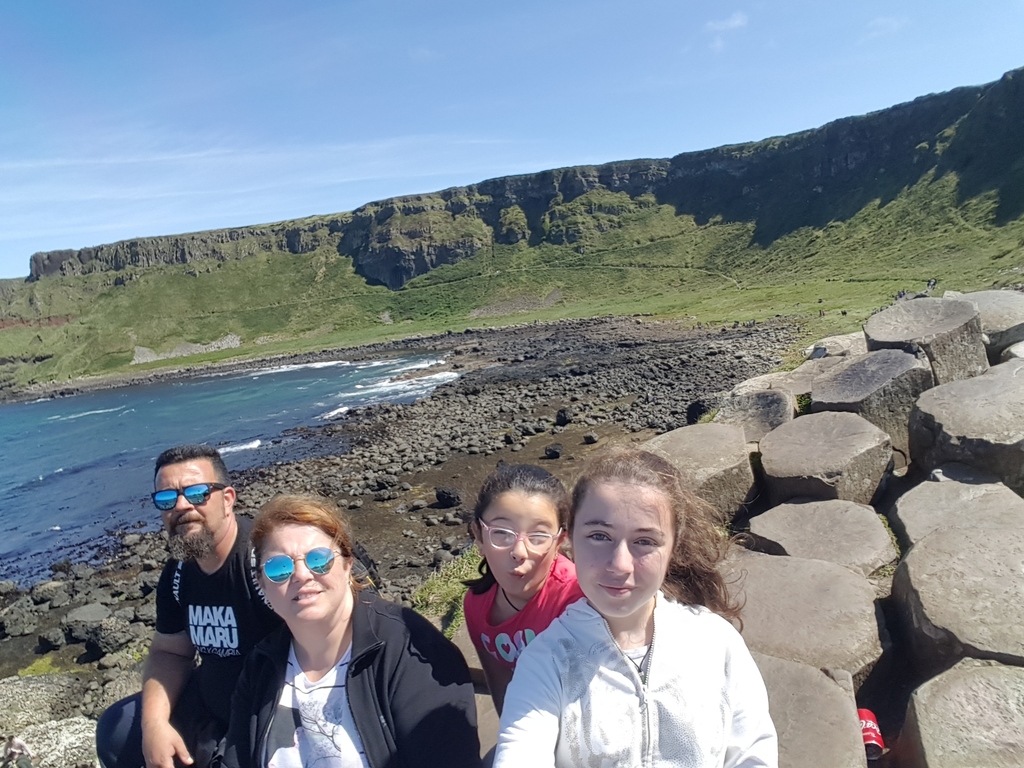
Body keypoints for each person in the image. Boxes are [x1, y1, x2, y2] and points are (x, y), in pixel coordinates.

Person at [493, 447, 778, 768]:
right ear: (570, 537)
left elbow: (753, 755)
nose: (620, 564)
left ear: (673, 545)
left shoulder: (718, 643)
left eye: (644, 541)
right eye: (599, 536)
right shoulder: (544, 663)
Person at [220, 494, 481, 768]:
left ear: (347, 564)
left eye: (318, 560)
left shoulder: (411, 649)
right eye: (279, 567)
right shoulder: (261, 666)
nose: (301, 574)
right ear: (262, 583)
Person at [96, 445, 282, 768]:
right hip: (209, 707)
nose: (182, 506)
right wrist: (153, 725)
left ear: (227, 500)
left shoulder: (263, 564)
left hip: (267, 713)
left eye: (197, 493)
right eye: (167, 499)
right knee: (115, 731)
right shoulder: (178, 574)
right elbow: (170, 652)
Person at [462, 463, 583, 714]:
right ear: (478, 535)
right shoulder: (476, 604)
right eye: (502, 533)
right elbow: (500, 683)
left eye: (538, 536)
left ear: (560, 541)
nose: (519, 551)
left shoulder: (579, 600)